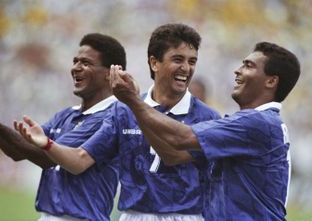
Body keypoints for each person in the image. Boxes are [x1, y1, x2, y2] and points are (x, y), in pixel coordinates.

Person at [15, 23, 221, 221]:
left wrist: (133, 102)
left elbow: (175, 157)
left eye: (192, 61)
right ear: (154, 62)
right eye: (178, 59)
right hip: (133, 216)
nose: (186, 68)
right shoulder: (122, 111)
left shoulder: (208, 117)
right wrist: (47, 144)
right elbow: (80, 161)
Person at [108, 41, 301, 221]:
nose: (237, 70)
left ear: (271, 81)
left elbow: (180, 137)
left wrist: (133, 100)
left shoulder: (259, 123)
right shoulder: (251, 124)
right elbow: (173, 155)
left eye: (249, 66)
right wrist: (135, 104)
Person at [0, 33, 127, 221]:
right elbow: (19, 151)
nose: (76, 68)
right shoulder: (65, 115)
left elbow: (47, 158)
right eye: (75, 61)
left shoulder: (111, 116)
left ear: (110, 73)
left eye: (86, 63)